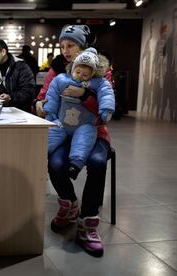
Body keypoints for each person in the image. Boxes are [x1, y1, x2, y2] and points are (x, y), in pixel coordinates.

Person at [35, 24, 113, 258]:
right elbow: (43, 96)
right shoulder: (57, 69)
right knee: (56, 163)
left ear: (83, 47)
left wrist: (86, 95)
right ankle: (69, 205)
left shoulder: (100, 69)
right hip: (64, 130)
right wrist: (40, 104)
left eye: (71, 46)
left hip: (93, 131)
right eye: (63, 46)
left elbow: (107, 106)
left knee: (98, 161)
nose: (66, 51)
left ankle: (87, 224)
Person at [44, 47, 115, 180]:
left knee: (84, 139)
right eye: (78, 72)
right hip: (62, 121)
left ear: (93, 74)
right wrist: (49, 113)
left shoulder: (98, 83)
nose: (80, 76)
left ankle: (75, 165)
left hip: (85, 124)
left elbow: (106, 94)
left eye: (85, 75)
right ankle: (39, 156)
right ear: (72, 68)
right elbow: (51, 95)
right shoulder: (61, 79)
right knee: (51, 135)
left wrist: (106, 110)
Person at [0, 39, 36, 112]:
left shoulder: (21, 67)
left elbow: (29, 91)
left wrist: (11, 97)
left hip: (21, 113)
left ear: (3, 52)